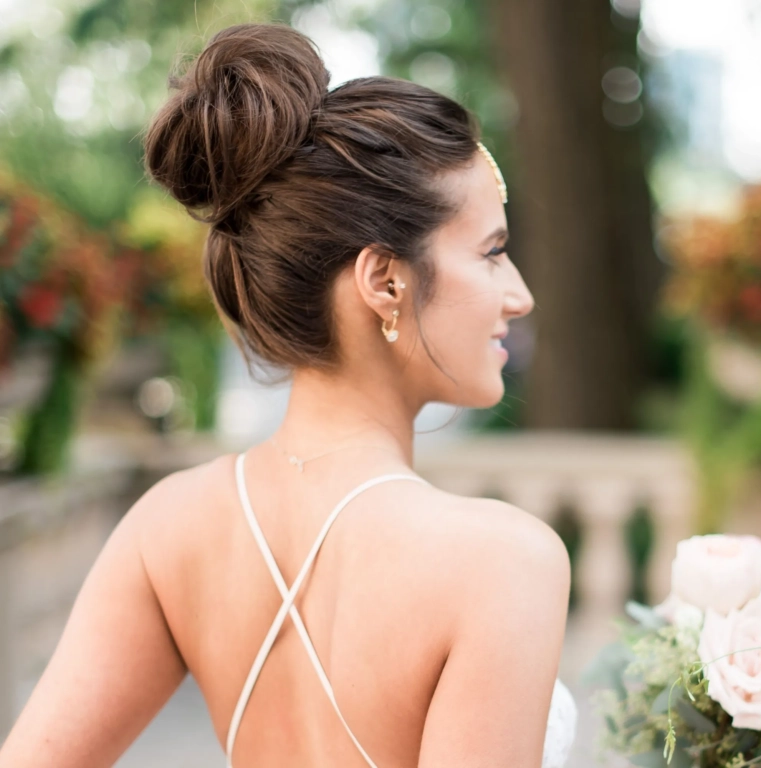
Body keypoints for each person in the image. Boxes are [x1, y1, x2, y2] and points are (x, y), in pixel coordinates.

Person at [0, 22, 576, 768]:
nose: (519, 295)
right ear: (386, 280)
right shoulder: (506, 561)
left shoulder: (167, 527)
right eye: (493, 252)